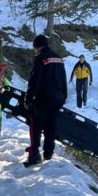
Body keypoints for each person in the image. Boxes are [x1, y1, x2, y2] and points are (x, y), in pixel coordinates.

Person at [23, 34, 67, 167]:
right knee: (51, 125)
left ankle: (34, 153)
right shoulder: (58, 58)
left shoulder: (40, 58)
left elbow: (35, 80)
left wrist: (28, 99)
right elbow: (63, 78)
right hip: (59, 97)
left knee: (36, 124)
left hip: (45, 97)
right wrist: (63, 96)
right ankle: (48, 152)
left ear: (36, 46)